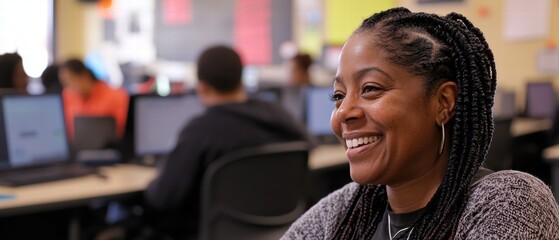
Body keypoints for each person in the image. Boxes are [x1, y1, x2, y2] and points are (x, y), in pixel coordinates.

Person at [282, 7, 559, 239]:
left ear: (443, 102)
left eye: (370, 88)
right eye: (338, 96)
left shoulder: (509, 202)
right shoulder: (345, 209)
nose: (343, 112)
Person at [144, 46, 310, 239]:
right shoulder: (280, 115)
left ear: (202, 87)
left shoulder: (201, 129)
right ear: (241, 80)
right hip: (280, 232)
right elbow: (309, 148)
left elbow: (163, 197)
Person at [60, 59, 128, 139]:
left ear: (84, 75)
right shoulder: (67, 96)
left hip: (106, 147)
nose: (68, 87)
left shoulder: (117, 96)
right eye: (65, 83)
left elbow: (122, 130)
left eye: (70, 80)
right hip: (75, 147)